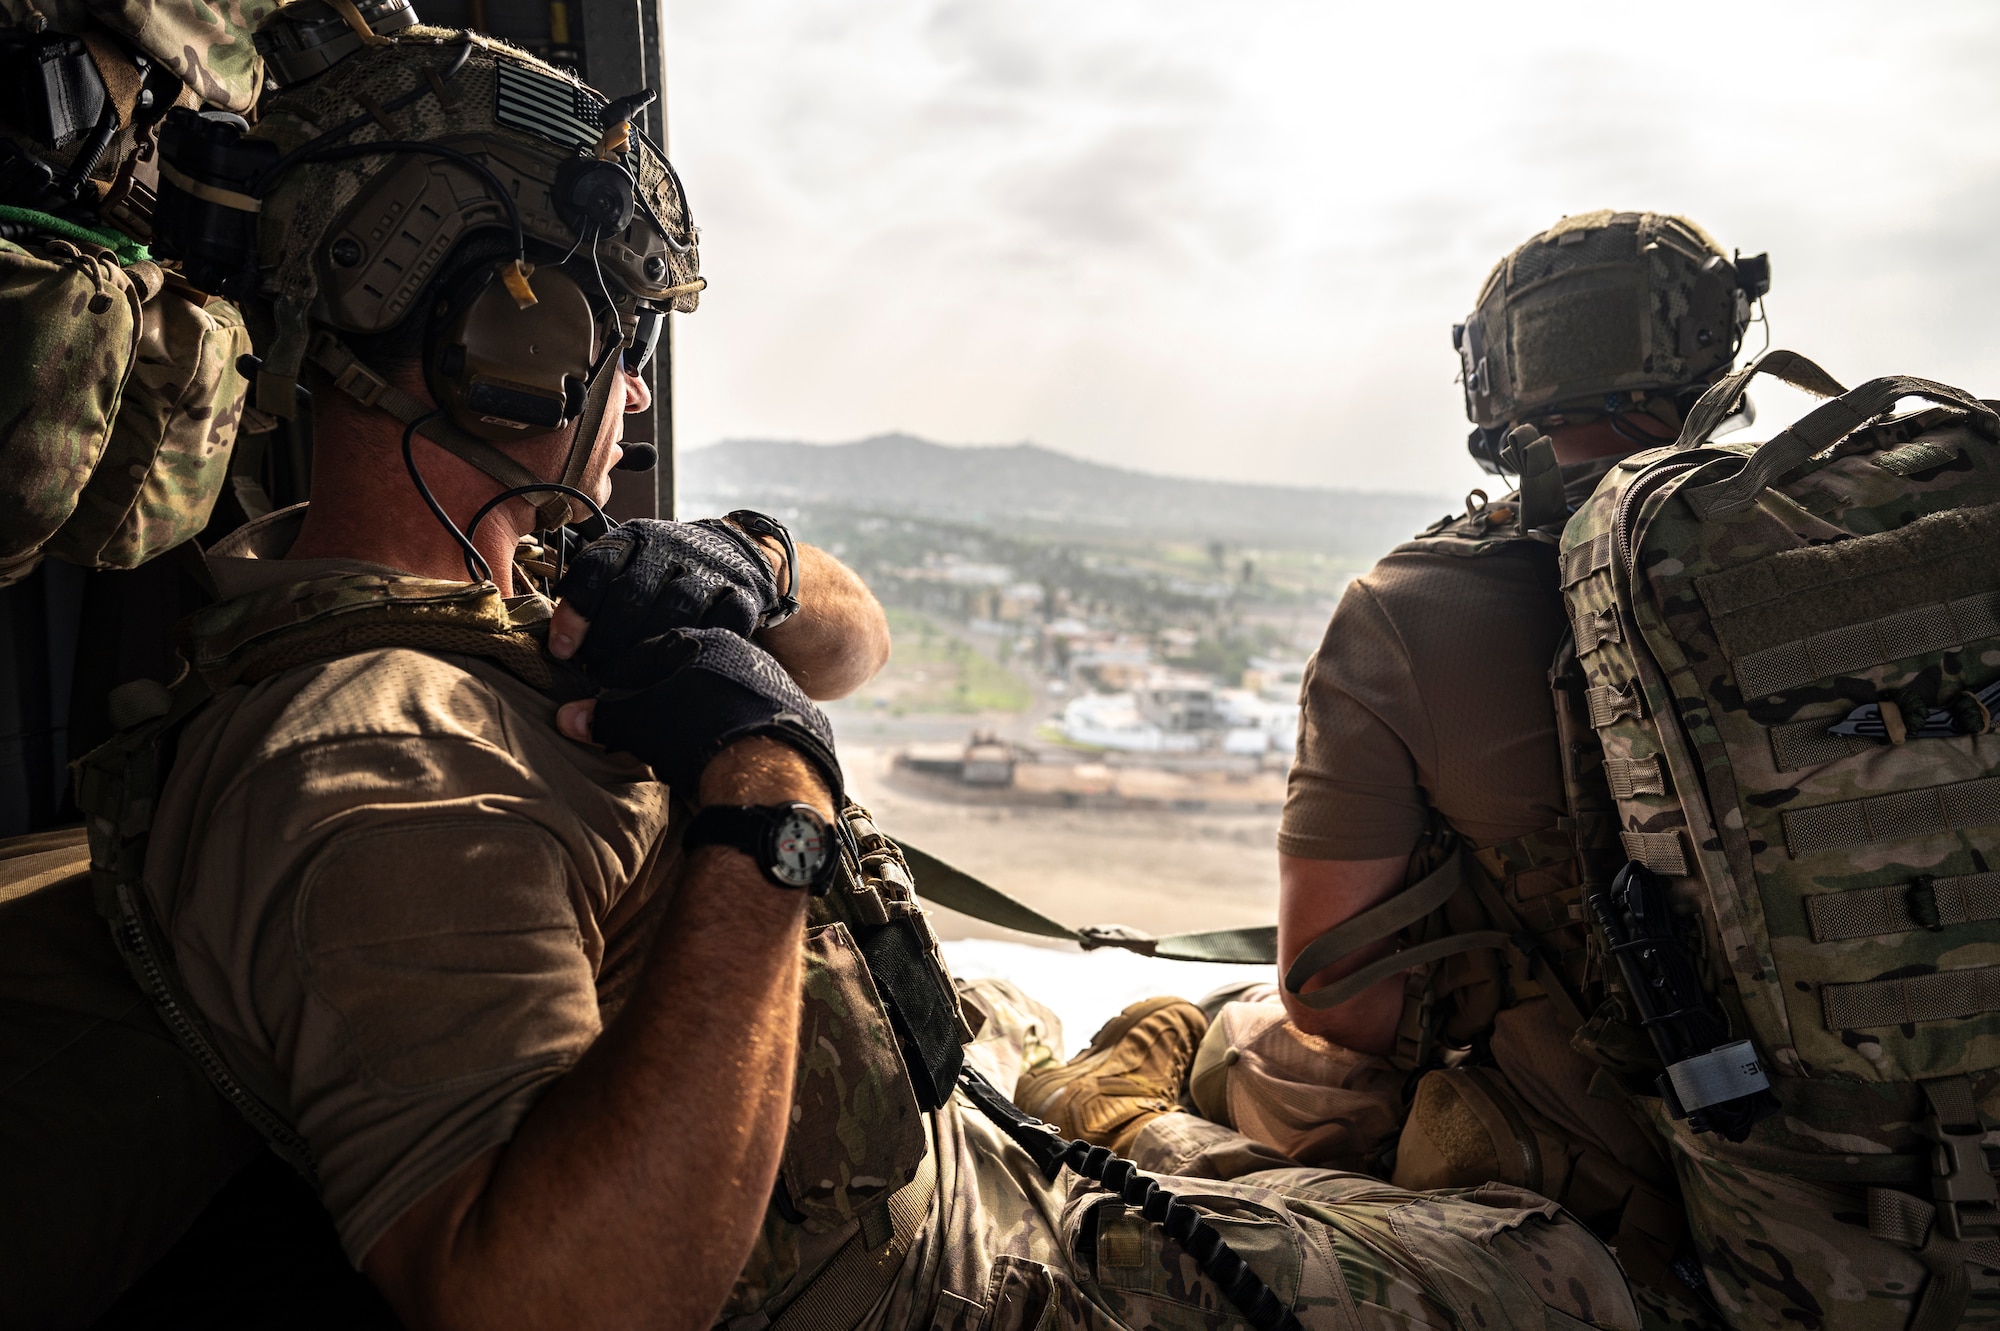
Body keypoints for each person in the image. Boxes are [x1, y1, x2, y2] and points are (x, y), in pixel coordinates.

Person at [109, 25, 1648, 1331]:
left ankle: (1134, 1112)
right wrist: (766, 801)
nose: (637, 395)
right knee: (1558, 1259)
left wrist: (748, 575)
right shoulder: (384, 751)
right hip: (975, 1280)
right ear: (520, 340)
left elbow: (852, 638)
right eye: (618, 336)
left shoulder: (498, 590)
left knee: (1254, 1070)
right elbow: (557, 1293)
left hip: (935, 1132)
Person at [1020, 211, 1775, 1326]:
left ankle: (1130, 1117)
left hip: (1640, 1214)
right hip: (1906, 1192)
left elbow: (1336, 988)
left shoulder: (1413, 609)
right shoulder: (1887, 554)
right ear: (1719, 345)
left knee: (1203, 1068)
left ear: (1496, 379)